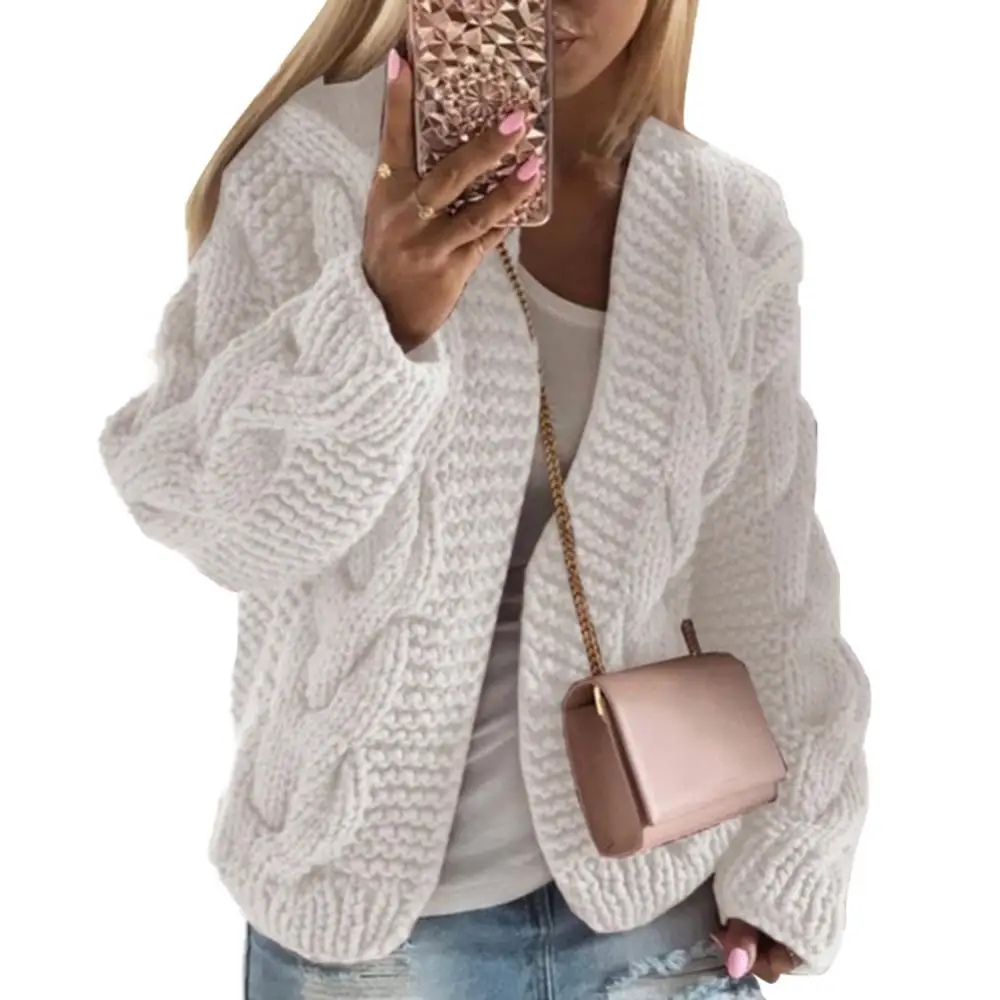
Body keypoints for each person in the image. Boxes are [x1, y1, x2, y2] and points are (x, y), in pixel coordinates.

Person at [99, 0, 871, 997]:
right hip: (371, 941)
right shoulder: (307, 171)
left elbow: (766, 568)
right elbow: (213, 519)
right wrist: (375, 322)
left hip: (662, 909)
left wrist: (796, 849)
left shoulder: (725, 223)